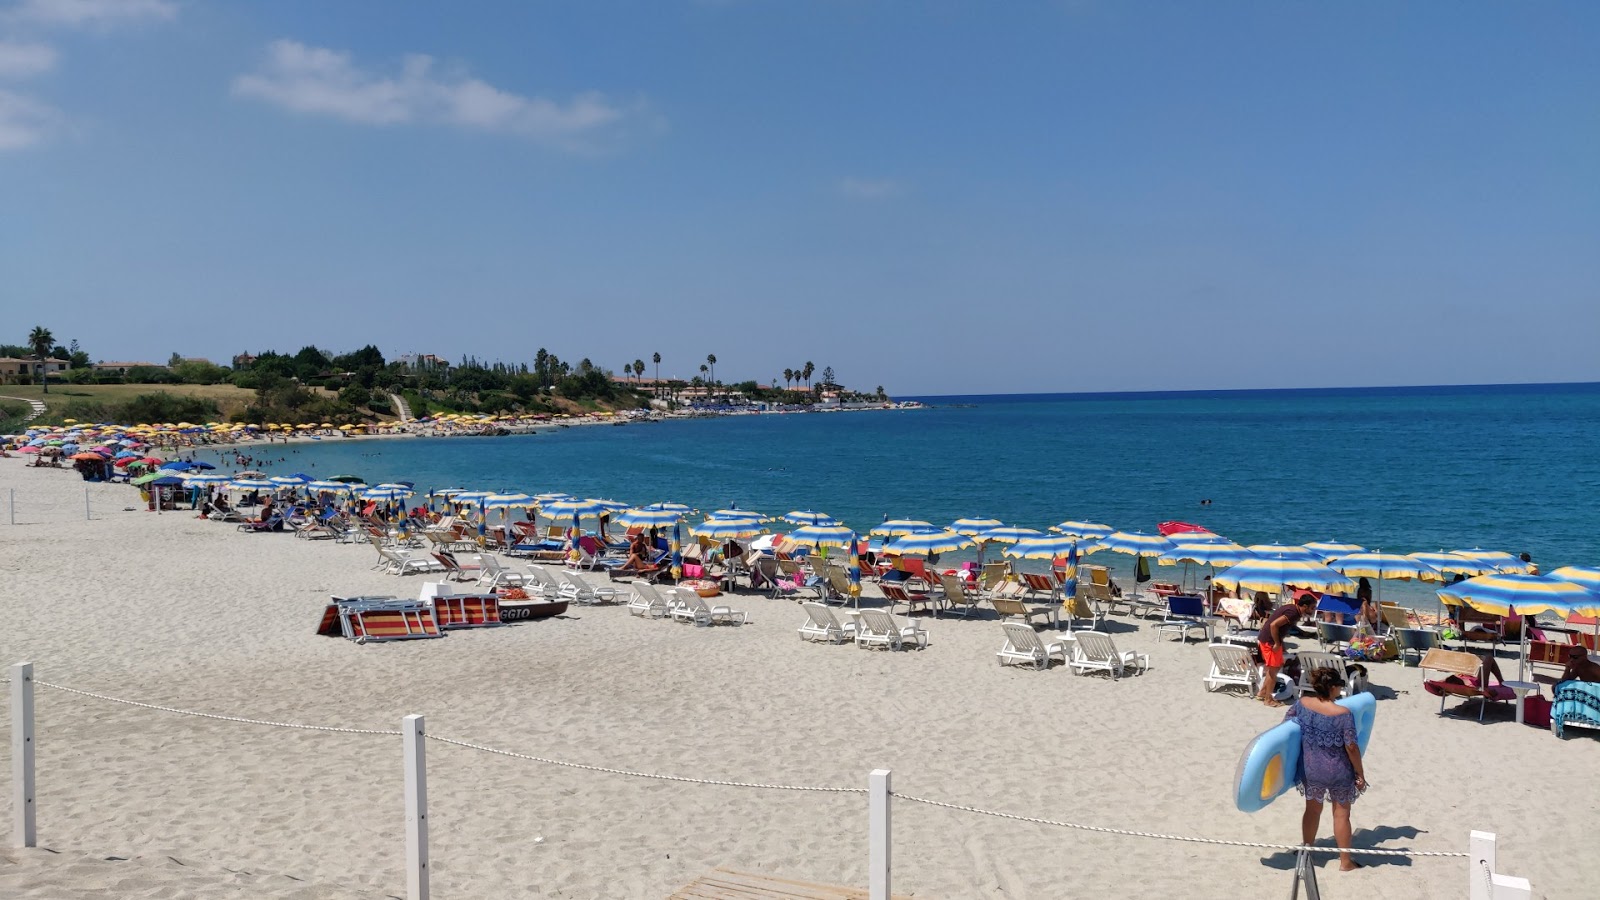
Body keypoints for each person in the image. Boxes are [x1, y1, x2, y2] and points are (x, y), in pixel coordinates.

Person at [1284, 667, 1368, 871]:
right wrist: (1360, 773)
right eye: (1339, 686)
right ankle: (1345, 862)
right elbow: (1351, 747)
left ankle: (1306, 850)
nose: (1340, 689)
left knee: (1312, 810)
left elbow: (1287, 725)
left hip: (1312, 767)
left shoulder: (1303, 703)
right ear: (1331, 688)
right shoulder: (1342, 714)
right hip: (1338, 770)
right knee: (1341, 815)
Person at [1255, 593, 1318, 707]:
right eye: (1312, 607)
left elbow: (1281, 626)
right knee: (1273, 671)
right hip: (1270, 641)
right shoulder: (1293, 612)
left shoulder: (1294, 610)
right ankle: (1268, 699)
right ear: (1304, 606)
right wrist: (1277, 643)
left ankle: (1263, 692)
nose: (1314, 610)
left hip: (1270, 639)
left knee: (1277, 666)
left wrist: (1280, 643)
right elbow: (1273, 625)